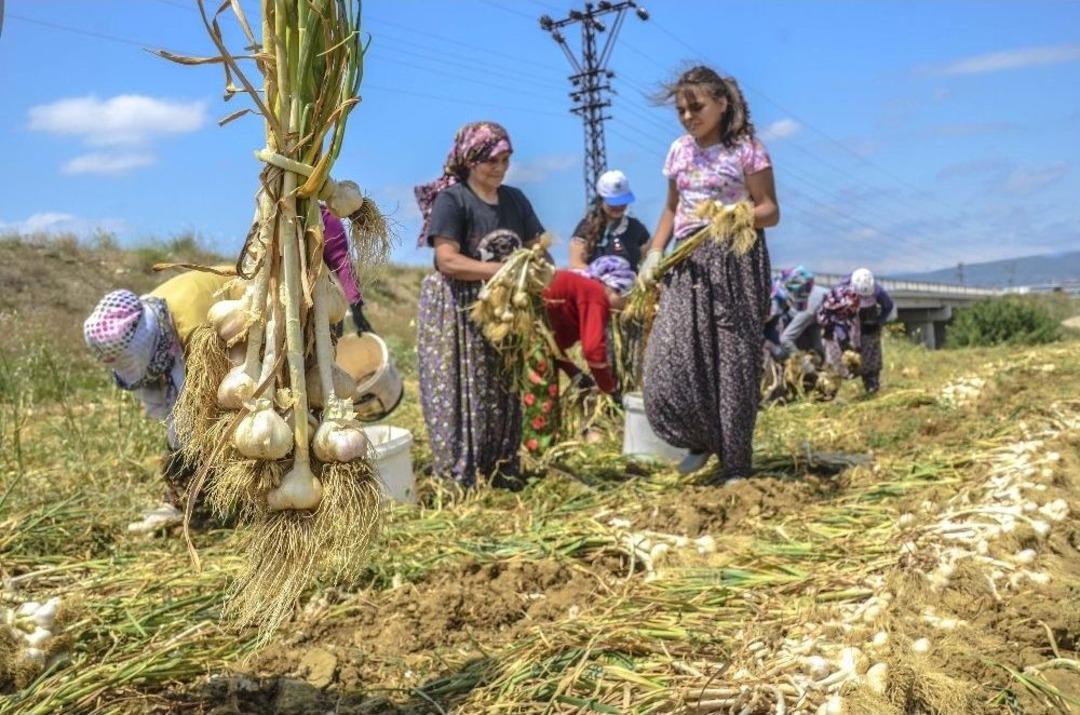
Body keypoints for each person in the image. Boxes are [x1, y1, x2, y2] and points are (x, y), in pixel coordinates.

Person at [84, 211, 364, 534]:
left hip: (269, 326)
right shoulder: (151, 318)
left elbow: (195, 413)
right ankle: (191, 500)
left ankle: (277, 496)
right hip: (252, 341)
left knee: (270, 415)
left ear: (144, 340)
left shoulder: (190, 327)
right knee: (229, 424)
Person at [639, 66, 779, 481]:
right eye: (681, 110)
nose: (688, 117)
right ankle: (699, 438)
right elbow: (672, 208)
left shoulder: (747, 149)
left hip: (735, 259)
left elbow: (770, 210)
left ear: (721, 103)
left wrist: (735, 217)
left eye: (696, 107)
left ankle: (735, 462)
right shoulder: (679, 150)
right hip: (687, 262)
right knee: (668, 361)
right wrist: (655, 252)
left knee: (732, 362)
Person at [414, 121, 546, 487]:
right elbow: (447, 260)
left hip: (504, 308)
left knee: (503, 383)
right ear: (471, 161)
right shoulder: (453, 200)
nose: (500, 168)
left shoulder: (515, 200)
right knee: (464, 387)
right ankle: (460, 474)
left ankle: (500, 466)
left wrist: (537, 268)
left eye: (506, 159)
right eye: (492, 160)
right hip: (460, 307)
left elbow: (537, 246)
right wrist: (501, 270)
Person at [568, 170, 651, 272]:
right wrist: (599, 275)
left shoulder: (636, 228)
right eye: (614, 203)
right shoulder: (585, 228)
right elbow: (576, 264)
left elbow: (649, 259)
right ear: (601, 200)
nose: (619, 206)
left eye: (622, 202)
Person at [842, 267, 894, 394]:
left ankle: (872, 383)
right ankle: (853, 376)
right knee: (853, 354)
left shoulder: (878, 291)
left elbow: (888, 306)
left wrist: (879, 321)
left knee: (872, 353)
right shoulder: (843, 289)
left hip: (870, 323)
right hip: (851, 323)